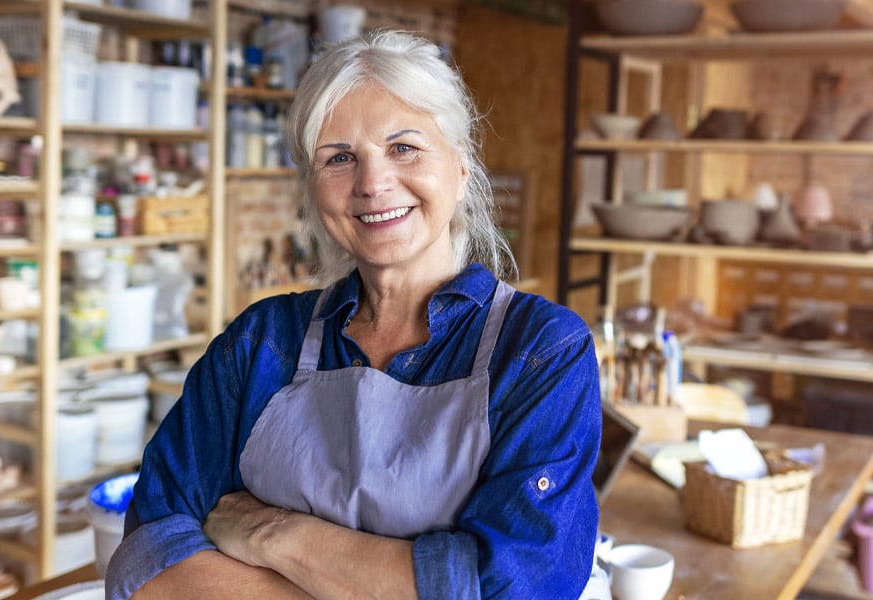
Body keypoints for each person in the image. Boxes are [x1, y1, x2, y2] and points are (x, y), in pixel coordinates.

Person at [105, 30, 603, 599]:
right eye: (339, 158)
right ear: (313, 189)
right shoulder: (260, 344)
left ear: (461, 169)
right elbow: (146, 558)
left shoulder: (541, 352)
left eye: (404, 148)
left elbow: (517, 586)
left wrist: (278, 536)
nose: (372, 184)